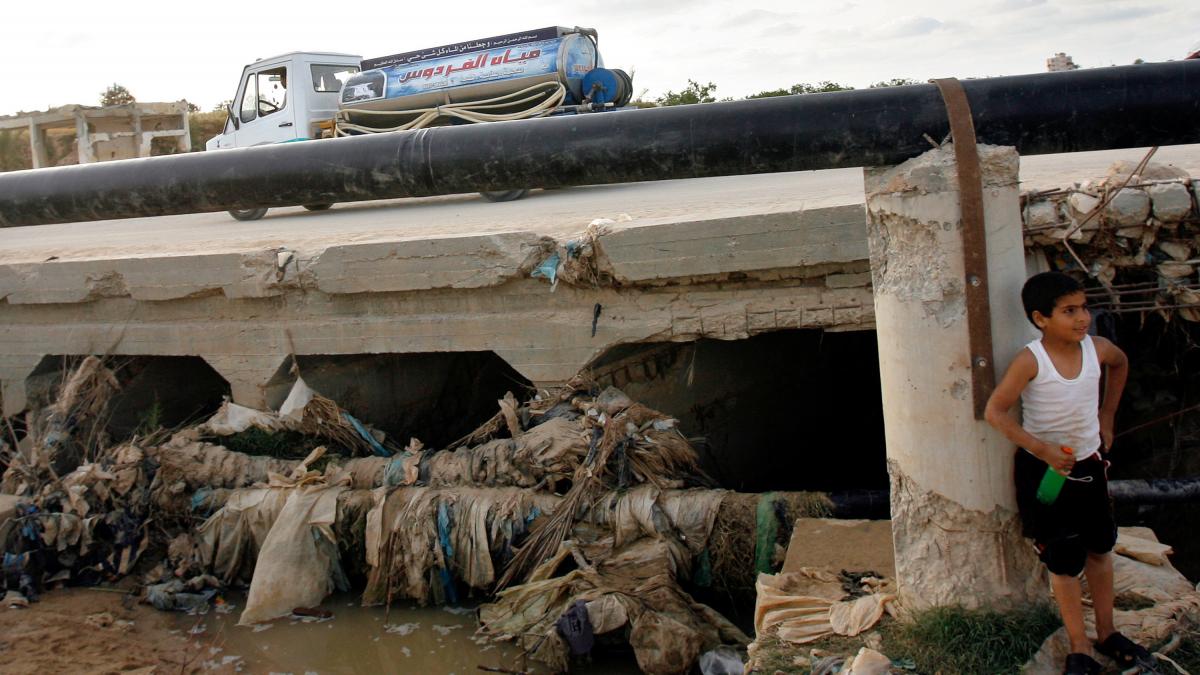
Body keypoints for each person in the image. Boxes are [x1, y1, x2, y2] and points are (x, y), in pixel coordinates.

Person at [985, 271, 1152, 675]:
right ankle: (1079, 644)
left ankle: (1107, 632)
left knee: (1100, 547)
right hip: (1045, 473)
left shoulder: (1097, 350)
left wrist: (1107, 415)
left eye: (1084, 308)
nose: (1082, 318)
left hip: (1089, 466)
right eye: (1069, 311)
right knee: (1062, 559)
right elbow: (995, 412)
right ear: (1041, 318)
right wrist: (1040, 449)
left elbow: (1121, 362)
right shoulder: (1031, 361)